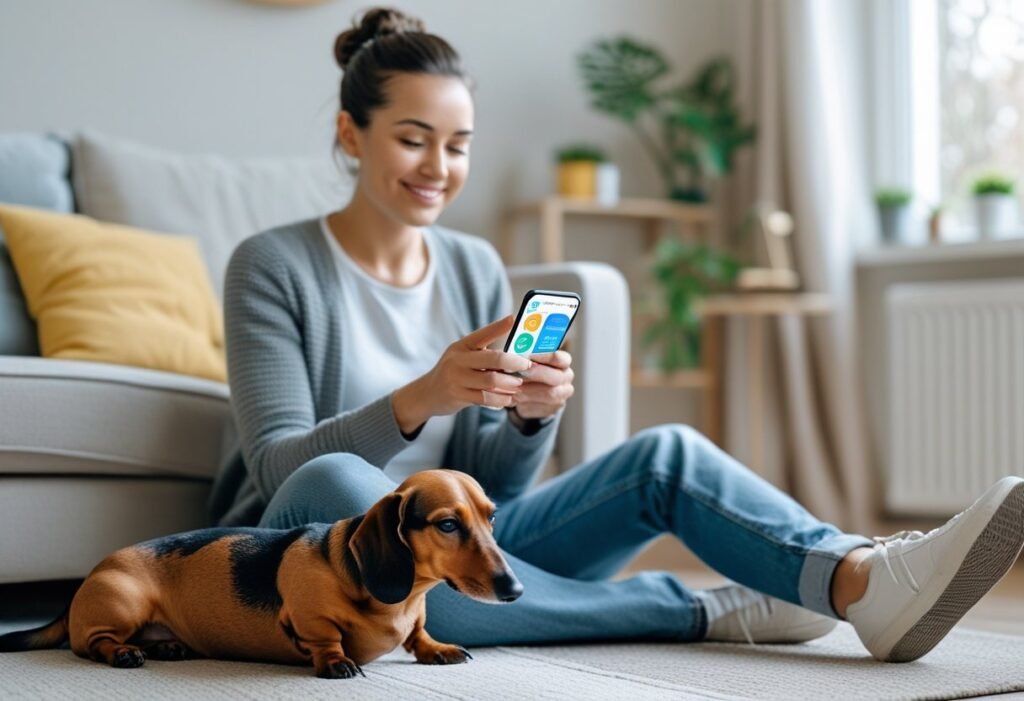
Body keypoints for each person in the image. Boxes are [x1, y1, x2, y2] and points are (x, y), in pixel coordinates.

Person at [208, 8, 1024, 662]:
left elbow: (500, 494)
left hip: (462, 548)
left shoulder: (470, 263)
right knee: (354, 482)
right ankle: (699, 609)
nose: (438, 167)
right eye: (412, 139)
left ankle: (855, 576)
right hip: (312, 537)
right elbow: (281, 465)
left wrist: (531, 418)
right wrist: (422, 397)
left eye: (457, 145)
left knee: (663, 453)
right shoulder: (271, 264)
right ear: (352, 135)